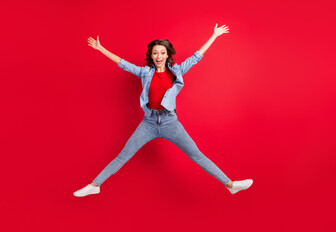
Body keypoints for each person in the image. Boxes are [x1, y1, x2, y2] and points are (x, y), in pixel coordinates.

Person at [74, 23, 253, 197]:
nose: (158, 55)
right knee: (123, 156)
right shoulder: (145, 72)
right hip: (149, 123)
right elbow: (123, 63)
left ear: (167, 55)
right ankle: (94, 185)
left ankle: (230, 184)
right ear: (151, 56)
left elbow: (196, 56)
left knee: (197, 155)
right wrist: (101, 49)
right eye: (155, 52)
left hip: (170, 122)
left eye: (162, 52)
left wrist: (214, 35)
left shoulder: (177, 71)